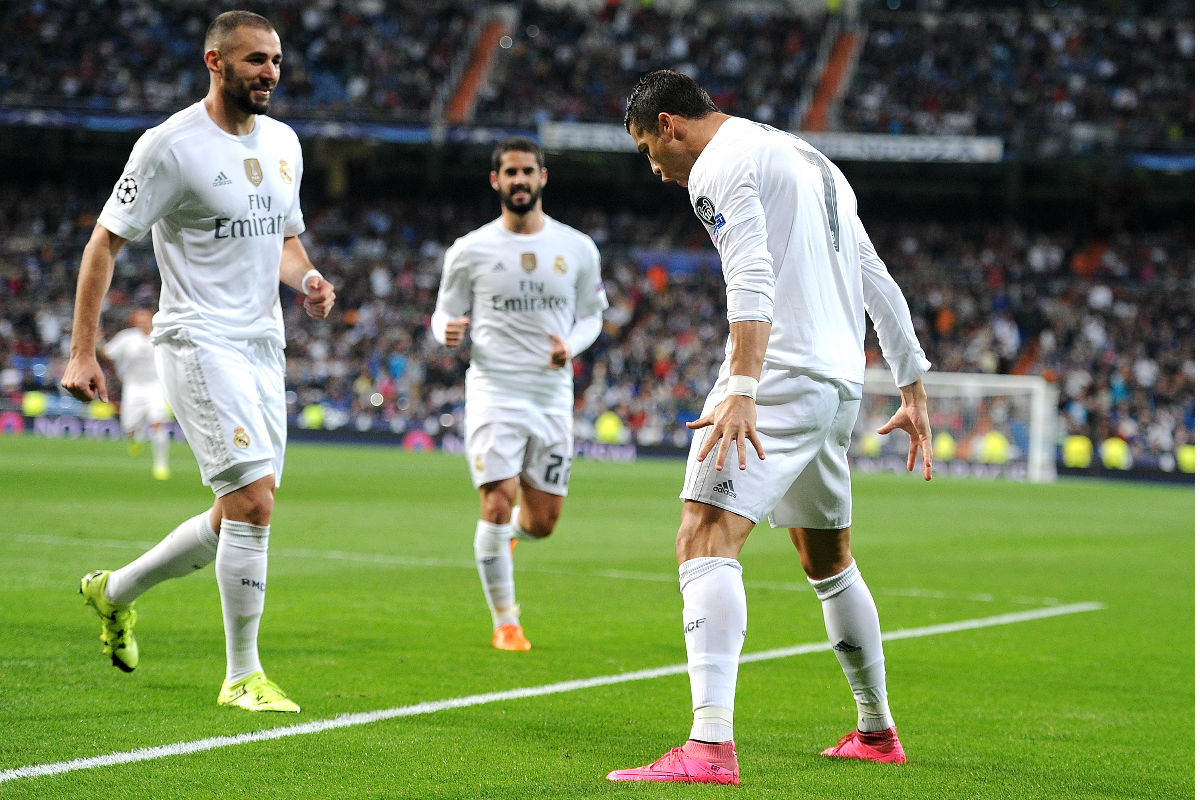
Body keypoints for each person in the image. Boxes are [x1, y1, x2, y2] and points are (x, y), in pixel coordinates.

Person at [607, 70, 933, 784]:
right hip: (838, 382)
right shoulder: (810, 160)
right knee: (828, 558)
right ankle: (876, 731)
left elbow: (749, 271)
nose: (655, 171)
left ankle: (709, 746)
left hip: (779, 373)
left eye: (644, 149)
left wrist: (745, 387)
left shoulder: (716, 167)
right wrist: (910, 382)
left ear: (668, 124)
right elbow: (876, 276)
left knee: (703, 532)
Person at [61, 10, 336, 713]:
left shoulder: (284, 143)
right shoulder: (169, 146)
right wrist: (83, 349)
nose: (269, 72)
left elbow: (285, 241)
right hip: (195, 338)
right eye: (254, 61)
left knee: (232, 514)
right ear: (215, 63)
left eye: (275, 60)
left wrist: (306, 280)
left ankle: (114, 591)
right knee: (253, 502)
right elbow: (104, 244)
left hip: (261, 344)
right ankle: (242, 675)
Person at [431, 136, 608, 651]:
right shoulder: (469, 250)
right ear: (496, 180)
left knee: (543, 522)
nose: (520, 181)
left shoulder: (576, 248)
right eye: (510, 173)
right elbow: (443, 311)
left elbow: (594, 314)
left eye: (528, 171)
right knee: (494, 502)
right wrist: (443, 329)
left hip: (551, 395)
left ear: (542, 177)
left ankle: (506, 537)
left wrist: (570, 346)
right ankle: (506, 622)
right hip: (493, 391)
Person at [100, 308, 173, 480]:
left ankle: (161, 465)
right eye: (138, 319)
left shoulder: (161, 336)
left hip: (155, 386)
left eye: (145, 318)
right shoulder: (127, 338)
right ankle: (134, 437)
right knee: (129, 428)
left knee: (157, 423)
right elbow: (108, 353)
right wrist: (97, 342)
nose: (142, 322)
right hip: (133, 387)